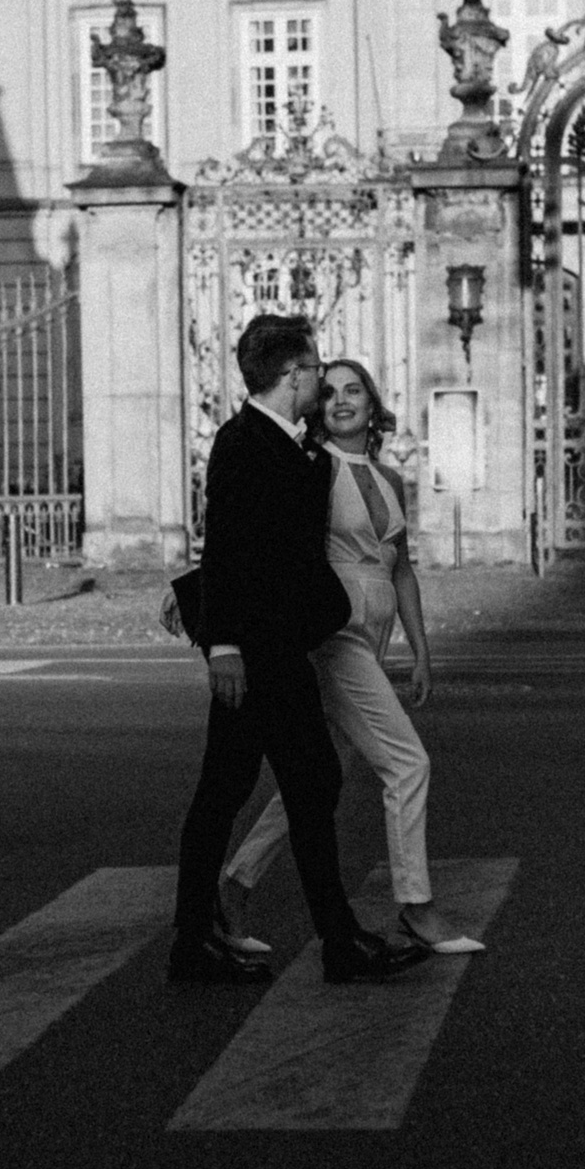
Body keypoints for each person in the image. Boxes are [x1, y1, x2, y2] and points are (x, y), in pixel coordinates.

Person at [168, 314, 429, 986]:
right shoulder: (243, 440)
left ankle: (307, 940)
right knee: (249, 792)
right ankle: (215, 941)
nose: (321, 377)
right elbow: (226, 544)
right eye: (314, 368)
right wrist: (222, 644)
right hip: (253, 657)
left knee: (289, 787)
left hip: (281, 650)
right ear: (293, 375)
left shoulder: (294, 447)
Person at [217, 359, 486, 957]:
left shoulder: (388, 478)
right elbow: (262, 538)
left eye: (353, 389)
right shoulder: (312, 468)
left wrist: (420, 650)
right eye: (330, 391)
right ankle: (415, 906)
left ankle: (235, 883)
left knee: (317, 776)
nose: (341, 401)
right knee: (407, 763)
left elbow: (403, 567)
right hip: (332, 631)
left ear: (372, 400)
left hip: (376, 627)